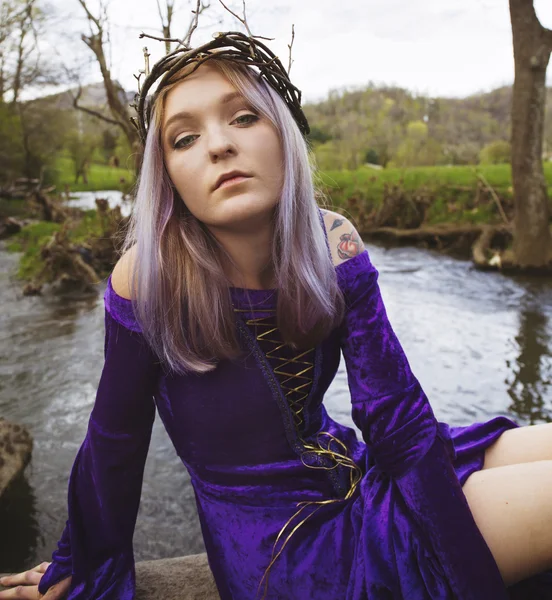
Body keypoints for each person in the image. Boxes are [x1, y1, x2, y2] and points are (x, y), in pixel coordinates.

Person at [3, 34, 552, 600]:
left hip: (356, 469)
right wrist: (81, 562)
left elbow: (394, 414)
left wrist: (448, 544)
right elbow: (114, 441)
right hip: (287, 546)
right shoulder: (147, 276)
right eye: (185, 137)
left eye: (243, 117)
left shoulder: (333, 240)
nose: (218, 145)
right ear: (167, 174)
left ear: (283, 136)